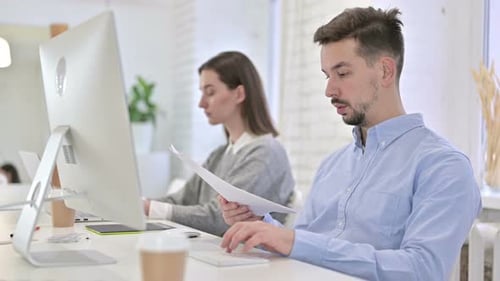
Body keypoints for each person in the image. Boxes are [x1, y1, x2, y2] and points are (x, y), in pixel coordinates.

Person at [218, 7, 482, 281]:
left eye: (342, 74)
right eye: (327, 75)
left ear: (385, 71)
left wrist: (293, 241)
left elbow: (421, 270)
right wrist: (259, 225)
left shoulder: (444, 166)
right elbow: (303, 243)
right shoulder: (332, 165)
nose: (329, 90)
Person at [143, 51, 295, 236]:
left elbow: (219, 219)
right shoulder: (220, 154)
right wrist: (139, 204)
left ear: (239, 94)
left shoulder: (266, 152)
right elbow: (182, 200)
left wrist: (151, 208)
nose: (201, 103)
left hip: (251, 261)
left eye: (210, 92)